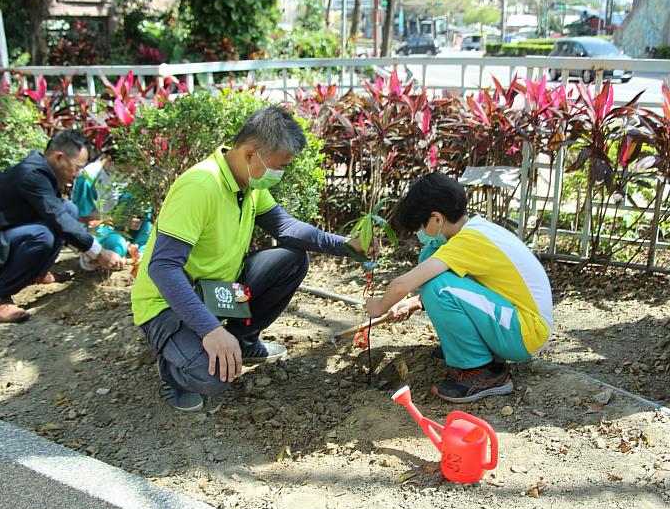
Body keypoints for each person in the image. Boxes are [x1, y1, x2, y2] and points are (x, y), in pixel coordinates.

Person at [131, 106, 372, 412]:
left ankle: (240, 340)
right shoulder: (199, 187)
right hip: (166, 304)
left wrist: (348, 246)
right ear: (249, 154)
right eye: (278, 166)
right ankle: (174, 372)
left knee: (291, 260)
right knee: (213, 377)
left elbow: (285, 228)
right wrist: (211, 331)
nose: (280, 175)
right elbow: (163, 269)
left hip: (217, 290)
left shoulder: (247, 183)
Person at [364, 173, 553, 404]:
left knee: (436, 286)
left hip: (526, 334)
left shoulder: (468, 241)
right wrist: (414, 302)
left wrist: (379, 306)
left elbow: (402, 284)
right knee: (430, 259)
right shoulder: (477, 230)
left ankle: (483, 372)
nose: (420, 234)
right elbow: (476, 287)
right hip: (517, 324)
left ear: (436, 218)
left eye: (420, 227)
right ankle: (470, 349)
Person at [0, 130, 124, 323]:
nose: (77, 174)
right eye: (76, 168)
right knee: (42, 235)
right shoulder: (32, 175)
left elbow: (60, 216)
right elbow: (57, 219)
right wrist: (99, 252)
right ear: (59, 157)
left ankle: (35, 274)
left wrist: (86, 250)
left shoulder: (43, 172)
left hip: (3, 236)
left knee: (69, 209)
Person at [71, 153, 152, 267]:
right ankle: (92, 256)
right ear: (110, 160)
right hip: (97, 228)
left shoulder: (122, 174)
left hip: (116, 222)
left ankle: (140, 249)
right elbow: (83, 216)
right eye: (124, 169)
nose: (130, 172)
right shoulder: (88, 177)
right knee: (117, 244)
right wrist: (121, 220)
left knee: (143, 201)